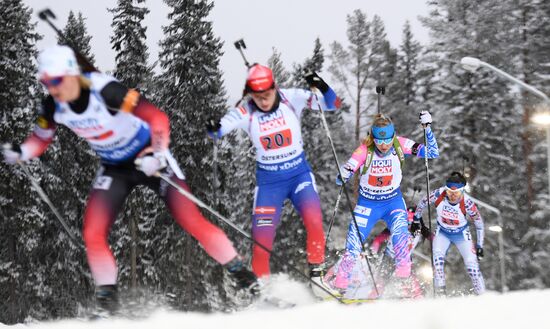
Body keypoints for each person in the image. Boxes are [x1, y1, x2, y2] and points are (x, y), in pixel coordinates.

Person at [2, 45, 258, 313]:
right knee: (92, 232)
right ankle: (107, 305)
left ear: (71, 74)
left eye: (55, 81)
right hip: (115, 167)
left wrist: (157, 155)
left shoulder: (105, 91)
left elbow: (157, 117)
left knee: (191, 220)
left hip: (149, 157)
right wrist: (22, 152)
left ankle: (245, 278)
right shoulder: (53, 105)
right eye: (45, 82)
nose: (52, 89)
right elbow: (41, 138)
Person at [206, 64, 340, 285]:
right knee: (261, 239)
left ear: (275, 88)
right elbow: (220, 128)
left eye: (267, 94)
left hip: (299, 175)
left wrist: (322, 86)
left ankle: (317, 274)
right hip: (270, 184)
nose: (263, 100)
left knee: (314, 218)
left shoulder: (291, 98)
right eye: (257, 96)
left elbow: (333, 104)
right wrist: (213, 127)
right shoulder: (246, 111)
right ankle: (263, 289)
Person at [328, 112, 439, 297]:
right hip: (367, 205)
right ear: (373, 137)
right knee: (353, 245)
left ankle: (404, 274)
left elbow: (432, 152)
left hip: (392, 202)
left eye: (387, 140)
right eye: (379, 141)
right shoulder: (365, 149)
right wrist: (344, 174)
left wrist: (427, 129)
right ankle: (341, 284)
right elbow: (349, 165)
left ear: (393, 135)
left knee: (401, 235)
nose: (384, 145)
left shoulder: (400, 144)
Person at [413, 171, 485, 296]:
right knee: (437, 261)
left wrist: (480, 245)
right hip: (443, 233)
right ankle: (441, 294)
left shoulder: (467, 203)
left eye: (456, 193)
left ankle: (482, 295)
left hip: (461, 235)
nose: (452, 196)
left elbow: (479, 224)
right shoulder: (438, 194)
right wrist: (415, 220)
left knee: (472, 267)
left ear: (462, 191)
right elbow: (422, 203)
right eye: (449, 192)